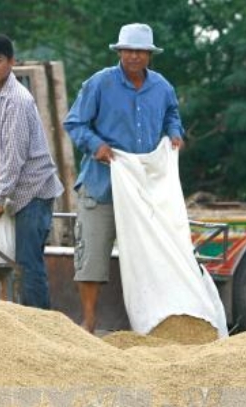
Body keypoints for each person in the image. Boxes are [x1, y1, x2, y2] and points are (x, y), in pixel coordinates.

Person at [63, 23, 185, 333]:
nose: (133, 56)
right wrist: (96, 146)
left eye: (140, 51)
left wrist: (174, 133)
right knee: (91, 257)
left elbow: (172, 114)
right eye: (128, 50)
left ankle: (149, 323)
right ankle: (89, 321)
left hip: (144, 188)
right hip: (102, 184)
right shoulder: (99, 84)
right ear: (119, 52)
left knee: (150, 257)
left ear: (149, 55)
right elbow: (75, 123)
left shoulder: (162, 87)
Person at [0, 34, 64, 309]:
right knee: (24, 262)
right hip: (20, 193)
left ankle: (41, 326)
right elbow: (3, 152)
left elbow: (14, 159)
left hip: (35, 190)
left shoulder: (17, 99)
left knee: (29, 264)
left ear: (11, 62)